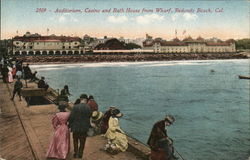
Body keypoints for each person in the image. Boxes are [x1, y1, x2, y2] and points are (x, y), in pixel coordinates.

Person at [68, 94, 92, 158]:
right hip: (84, 128)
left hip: (75, 127)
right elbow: (89, 117)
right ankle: (80, 154)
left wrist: (69, 126)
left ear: (80, 99)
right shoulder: (88, 108)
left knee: (75, 141)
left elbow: (71, 117)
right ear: (86, 100)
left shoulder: (75, 107)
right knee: (82, 142)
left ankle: (76, 153)